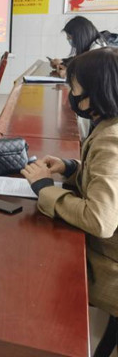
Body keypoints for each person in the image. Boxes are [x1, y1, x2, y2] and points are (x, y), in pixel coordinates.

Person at [21, 48, 118, 320]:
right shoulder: (110, 124)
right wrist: (71, 168)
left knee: (35, 267)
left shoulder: (111, 140)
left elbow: (100, 220)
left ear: (97, 92)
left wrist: (45, 188)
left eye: (74, 88)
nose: (71, 95)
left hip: (109, 265)